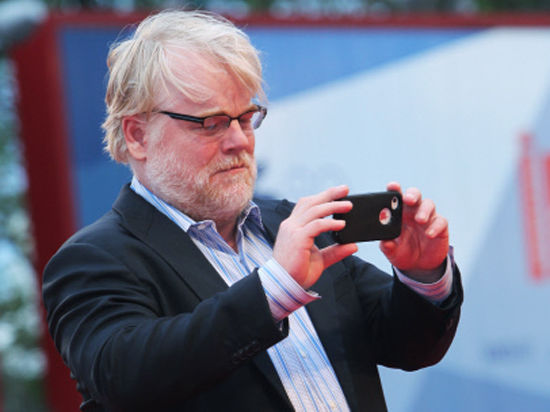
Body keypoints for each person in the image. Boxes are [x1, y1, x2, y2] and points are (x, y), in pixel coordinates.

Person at [42, 9, 463, 412]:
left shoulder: (292, 225)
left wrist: (423, 276)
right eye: (211, 123)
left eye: (245, 118)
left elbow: (407, 347)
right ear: (137, 135)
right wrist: (275, 289)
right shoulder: (94, 259)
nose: (239, 141)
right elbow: (125, 379)